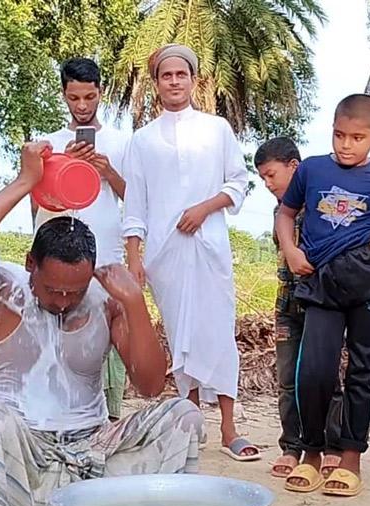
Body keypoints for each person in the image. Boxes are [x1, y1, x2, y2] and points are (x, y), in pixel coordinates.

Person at [0, 141, 204, 506]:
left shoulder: (104, 300)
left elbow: (151, 386)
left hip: (92, 447)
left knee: (184, 416)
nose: (62, 300)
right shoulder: (3, 292)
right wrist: (26, 182)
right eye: (52, 289)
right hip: (25, 449)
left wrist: (135, 305)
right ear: (30, 265)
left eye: (73, 291)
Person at [123, 44, 258, 461]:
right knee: (180, 335)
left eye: (182, 74)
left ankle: (230, 429)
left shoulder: (216, 129)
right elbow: (135, 204)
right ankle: (191, 424)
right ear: (157, 83)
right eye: (167, 76)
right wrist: (134, 257)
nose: (175, 82)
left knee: (217, 333)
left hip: (210, 248)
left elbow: (238, 182)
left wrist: (204, 208)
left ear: (194, 80)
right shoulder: (142, 141)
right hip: (165, 254)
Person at [276, 94, 370, 496]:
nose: (346, 144)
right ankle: (312, 452)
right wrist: (291, 250)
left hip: (368, 279)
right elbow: (286, 211)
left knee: (362, 371)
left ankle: (351, 457)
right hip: (320, 281)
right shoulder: (313, 169)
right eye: (339, 135)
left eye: (357, 137)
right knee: (314, 369)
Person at [35, 57, 130, 420]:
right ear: (63, 95)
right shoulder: (49, 145)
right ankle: (60, 413)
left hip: (106, 252)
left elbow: (135, 201)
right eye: (74, 98)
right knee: (58, 330)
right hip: (60, 258)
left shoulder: (122, 142)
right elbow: (38, 199)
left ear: (100, 93)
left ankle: (111, 415)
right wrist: (64, 168)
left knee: (109, 332)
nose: (82, 106)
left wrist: (107, 171)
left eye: (89, 97)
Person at [254, 137, 343, 479]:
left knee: (326, 378)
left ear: (294, 166)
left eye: (271, 175)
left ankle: (330, 447)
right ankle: (293, 447)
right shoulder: (281, 210)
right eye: (262, 178)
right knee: (288, 379)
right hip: (287, 307)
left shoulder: (326, 201)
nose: (267, 184)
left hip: (323, 304)